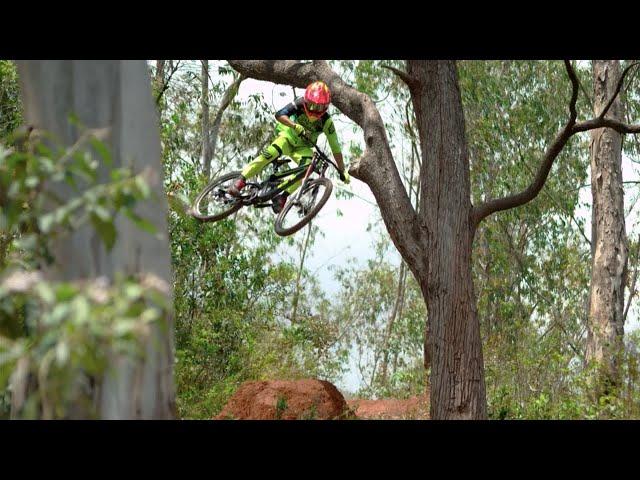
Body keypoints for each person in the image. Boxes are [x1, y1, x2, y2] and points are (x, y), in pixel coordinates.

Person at [228, 80, 350, 213]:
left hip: (303, 147)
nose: (313, 109)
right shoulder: (299, 103)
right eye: (310, 104)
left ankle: (282, 196)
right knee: (270, 153)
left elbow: (335, 147)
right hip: (288, 136)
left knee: (308, 168)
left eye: (318, 107)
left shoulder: (327, 121)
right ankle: (240, 180)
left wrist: (342, 170)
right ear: (306, 99)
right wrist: (294, 125)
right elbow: (279, 114)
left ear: (325, 107)